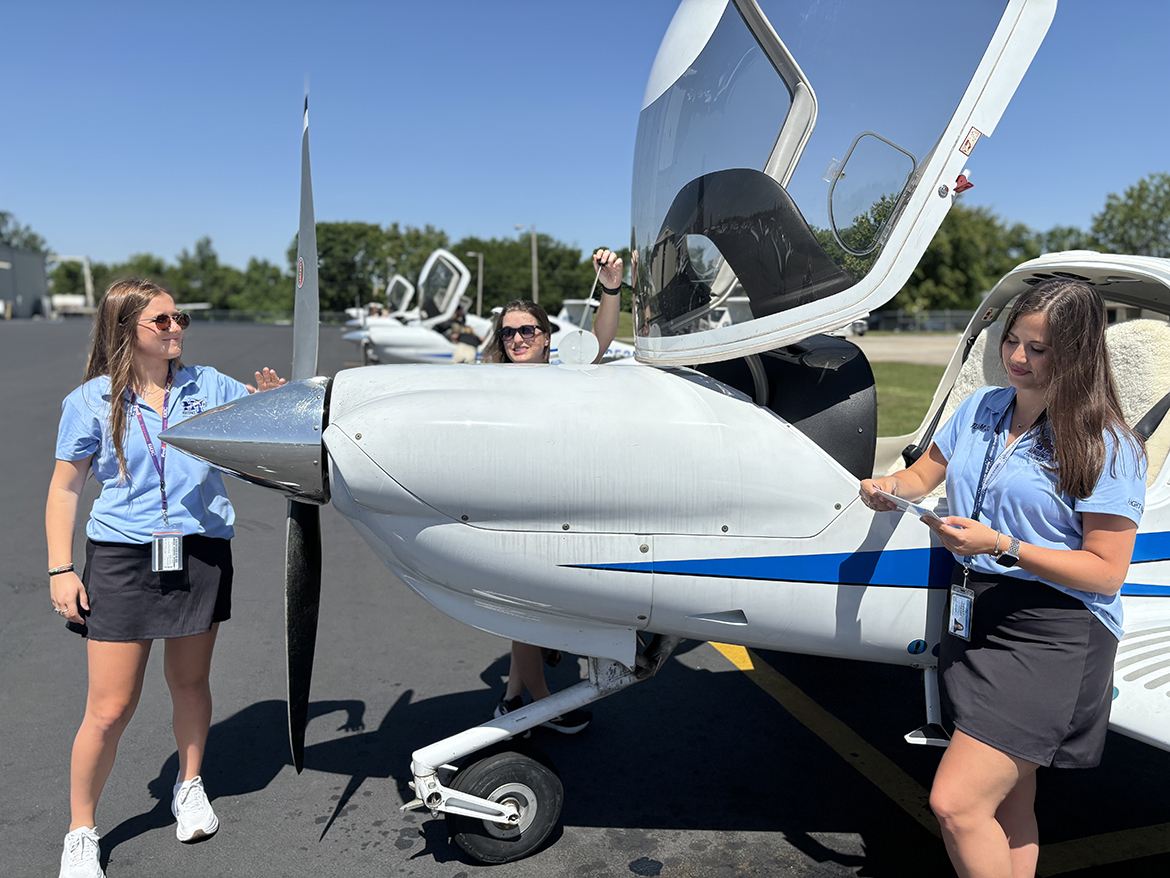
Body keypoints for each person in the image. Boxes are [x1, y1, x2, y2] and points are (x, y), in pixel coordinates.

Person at [859, 279, 1145, 878]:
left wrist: (1003, 545)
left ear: (1076, 352)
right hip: (979, 612)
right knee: (1010, 800)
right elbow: (926, 473)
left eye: (1037, 349)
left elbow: (1106, 571)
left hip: (1056, 630)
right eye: (1012, 341)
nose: (1017, 358)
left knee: (956, 803)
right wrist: (891, 489)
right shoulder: (980, 407)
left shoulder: (1107, 445)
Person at [47, 278, 286, 878]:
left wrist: (271, 404)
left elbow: (266, 442)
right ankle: (80, 831)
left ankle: (189, 785)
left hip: (199, 551)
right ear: (126, 329)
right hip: (123, 558)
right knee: (110, 707)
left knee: (190, 683)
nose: (175, 328)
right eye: (161, 321)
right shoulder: (91, 401)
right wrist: (60, 569)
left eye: (179, 318)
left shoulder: (210, 387)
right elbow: (65, 488)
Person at [480, 248, 625, 733]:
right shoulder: (489, 383)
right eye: (509, 332)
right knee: (528, 607)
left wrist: (609, 286)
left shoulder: (564, 374)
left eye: (527, 331)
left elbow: (600, 342)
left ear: (546, 339)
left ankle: (512, 698)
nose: (517, 339)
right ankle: (542, 703)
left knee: (530, 607)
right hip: (511, 510)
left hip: (555, 508)